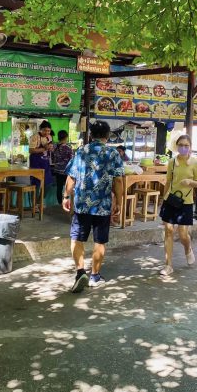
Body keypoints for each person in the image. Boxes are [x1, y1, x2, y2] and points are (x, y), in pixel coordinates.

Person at [63, 121, 125, 292]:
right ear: (107, 135)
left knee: (77, 239)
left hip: (82, 204)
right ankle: (95, 276)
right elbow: (118, 180)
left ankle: (80, 272)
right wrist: (119, 202)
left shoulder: (81, 151)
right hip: (103, 206)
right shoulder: (113, 154)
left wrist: (66, 196)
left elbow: (71, 177)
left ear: (90, 135)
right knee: (100, 241)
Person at [159, 135, 197, 276]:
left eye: (186, 145)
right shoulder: (172, 162)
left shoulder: (196, 163)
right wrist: (162, 200)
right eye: (181, 145)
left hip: (186, 203)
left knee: (183, 234)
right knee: (169, 231)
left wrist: (190, 182)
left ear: (190, 147)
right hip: (170, 200)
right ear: (177, 146)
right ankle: (168, 265)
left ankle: (188, 248)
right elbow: (168, 181)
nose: (183, 148)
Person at [29, 120, 55, 191]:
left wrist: (51, 148)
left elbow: (50, 148)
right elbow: (31, 150)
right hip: (35, 161)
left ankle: (40, 200)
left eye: (48, 131)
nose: (47, 132)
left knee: (47, 182)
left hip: (45, 161)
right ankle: (35, 201)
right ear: (41, 130)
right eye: (45, 130)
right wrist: (44, 148)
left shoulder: (49, 137)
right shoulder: (34, 137)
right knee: (36, 182)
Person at [51, 130, 75, 204]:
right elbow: (72, 159)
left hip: (57, 170)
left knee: (59, 187)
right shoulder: (68, 148)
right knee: (68, 187)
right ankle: (68, 202)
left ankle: (59, 203)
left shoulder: (54, 147)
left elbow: (52, 158)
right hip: (66, 171)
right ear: (66, 137)